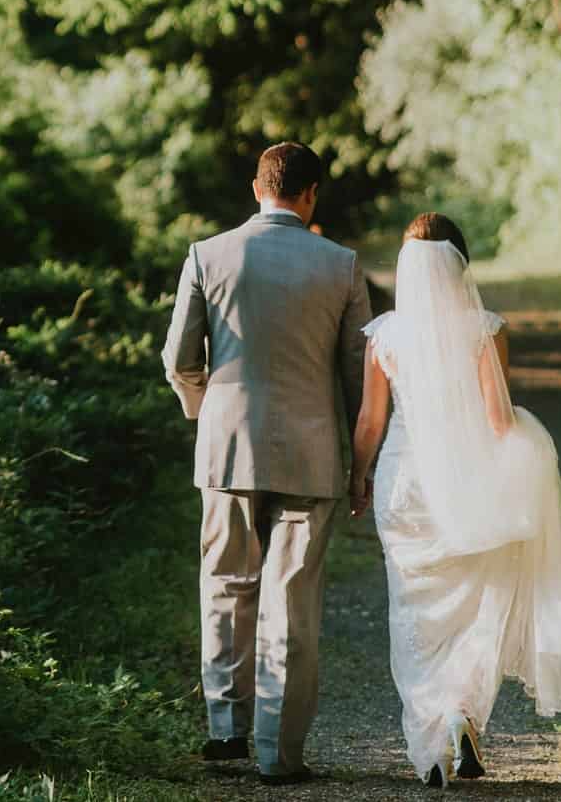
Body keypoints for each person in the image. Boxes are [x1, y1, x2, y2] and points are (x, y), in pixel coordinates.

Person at [350, 213, 561, 788]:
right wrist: (530, 447)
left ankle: (431, 740)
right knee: (474, 606)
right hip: (469, 482)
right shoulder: (485, 329)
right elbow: (496, 419)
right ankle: (460, 715)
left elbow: (371, 420)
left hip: (405, 484)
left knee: (414, 609)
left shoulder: (385, 335)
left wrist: (357, 477)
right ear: (461, 266)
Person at [162, 142, 372, 785]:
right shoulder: (341, 265)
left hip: (226, 445)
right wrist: (360, 463)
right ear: (311, 196)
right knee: (292, 598)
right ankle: (278, 753)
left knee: (226, 583)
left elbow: (178, 359)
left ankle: (226, 730)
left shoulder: (207, 255)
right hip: (312, 452)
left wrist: (206, 410)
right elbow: (358, 377)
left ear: (257, 189)